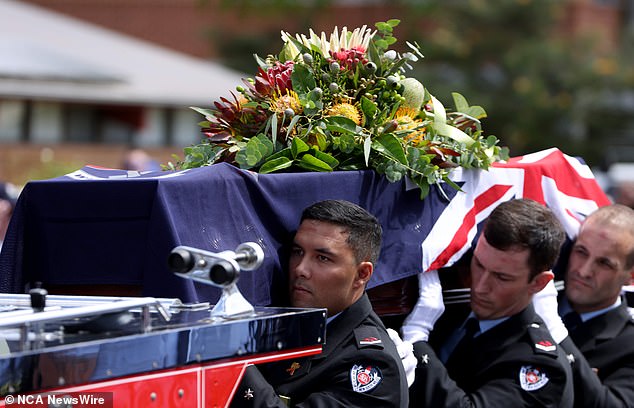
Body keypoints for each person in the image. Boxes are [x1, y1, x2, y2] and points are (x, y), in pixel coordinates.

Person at [230, 199, 409, 407]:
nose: (300, 269)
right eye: (297, 252)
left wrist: (232, 354)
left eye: (323, 258)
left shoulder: (371, 365)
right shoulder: (293, 320)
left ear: (362, 274)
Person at [402, 198, 574, 407]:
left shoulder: (540, 366)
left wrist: (416, 338)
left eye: (501, 277)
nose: (481, 286)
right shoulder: (453, 314)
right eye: (479, 264)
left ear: (538, 283)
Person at [555, 204, 634, 407]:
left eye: (604, 263)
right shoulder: (532, 302)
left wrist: (553, 329)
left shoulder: (628, 344)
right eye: (581, 252)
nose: (584, 271)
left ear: (630, 276)